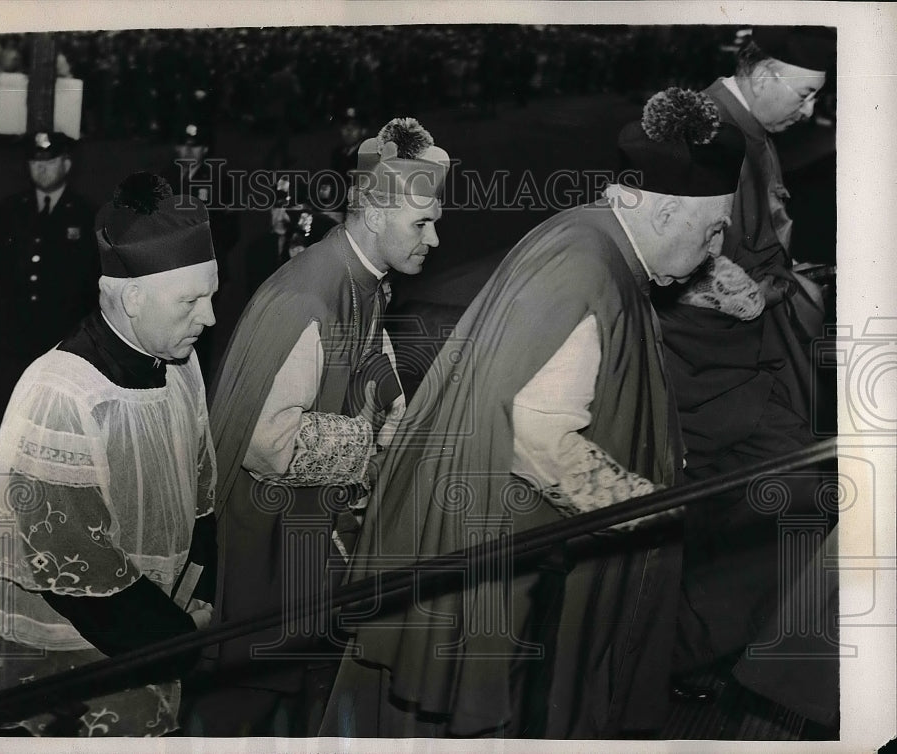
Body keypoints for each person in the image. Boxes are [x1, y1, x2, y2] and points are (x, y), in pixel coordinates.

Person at [319, 89, 745, 738]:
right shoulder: (585, 269)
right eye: (714, 229)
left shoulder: (588, 234)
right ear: (663, 212)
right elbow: (536, 436)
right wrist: (648, 505)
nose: (715, 249)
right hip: (501, 561)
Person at [192, 118, 449, 736]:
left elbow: (367, 348)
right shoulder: (309, 299)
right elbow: (267, 444)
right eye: (422, 223)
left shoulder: (359, 271)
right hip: (269, 538)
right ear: (373, 214)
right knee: (245, 702)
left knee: (296, 686)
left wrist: (397, 406)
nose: (435, 239)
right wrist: (375, 447)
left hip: (305, 528)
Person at [0, 173, 219, 737]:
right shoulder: (62, 392)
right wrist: (180, 640)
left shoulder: (181, 364)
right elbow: (79, 569)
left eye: (212, 295)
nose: (211, 317)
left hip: (149, 631)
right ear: (133, 297)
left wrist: (204, 598)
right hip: (65, 662)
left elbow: (199, 495)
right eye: (192, 300)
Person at [652, 27, 838, 701]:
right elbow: (685, 267)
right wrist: (778, 289)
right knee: (773, 502)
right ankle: (685, 659)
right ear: (759, 72)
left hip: (736, 366)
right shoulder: (714, 136)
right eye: (806, 90)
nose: (812, 110)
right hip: (715, 369)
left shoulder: (739, 126)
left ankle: (690, 655)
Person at [0, 131, 99, 468]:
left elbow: (89, 275)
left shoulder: (84, 213)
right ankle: (4, 463)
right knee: (12, 397)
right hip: (14, 326)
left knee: (59, 404)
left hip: (61, 329)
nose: (42, 169)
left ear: (66, 164)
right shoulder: (11, 208)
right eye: (35, 162)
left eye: (49, 162)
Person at [161, 120, 241, 380]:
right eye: (183, 146)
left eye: (194, 147)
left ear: (205, 149)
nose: (188, 152)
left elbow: (230, 231)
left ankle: (198, 384)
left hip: (204, 272)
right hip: (170, 270)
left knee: (199, 335)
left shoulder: (219, 181)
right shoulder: (164, 179)